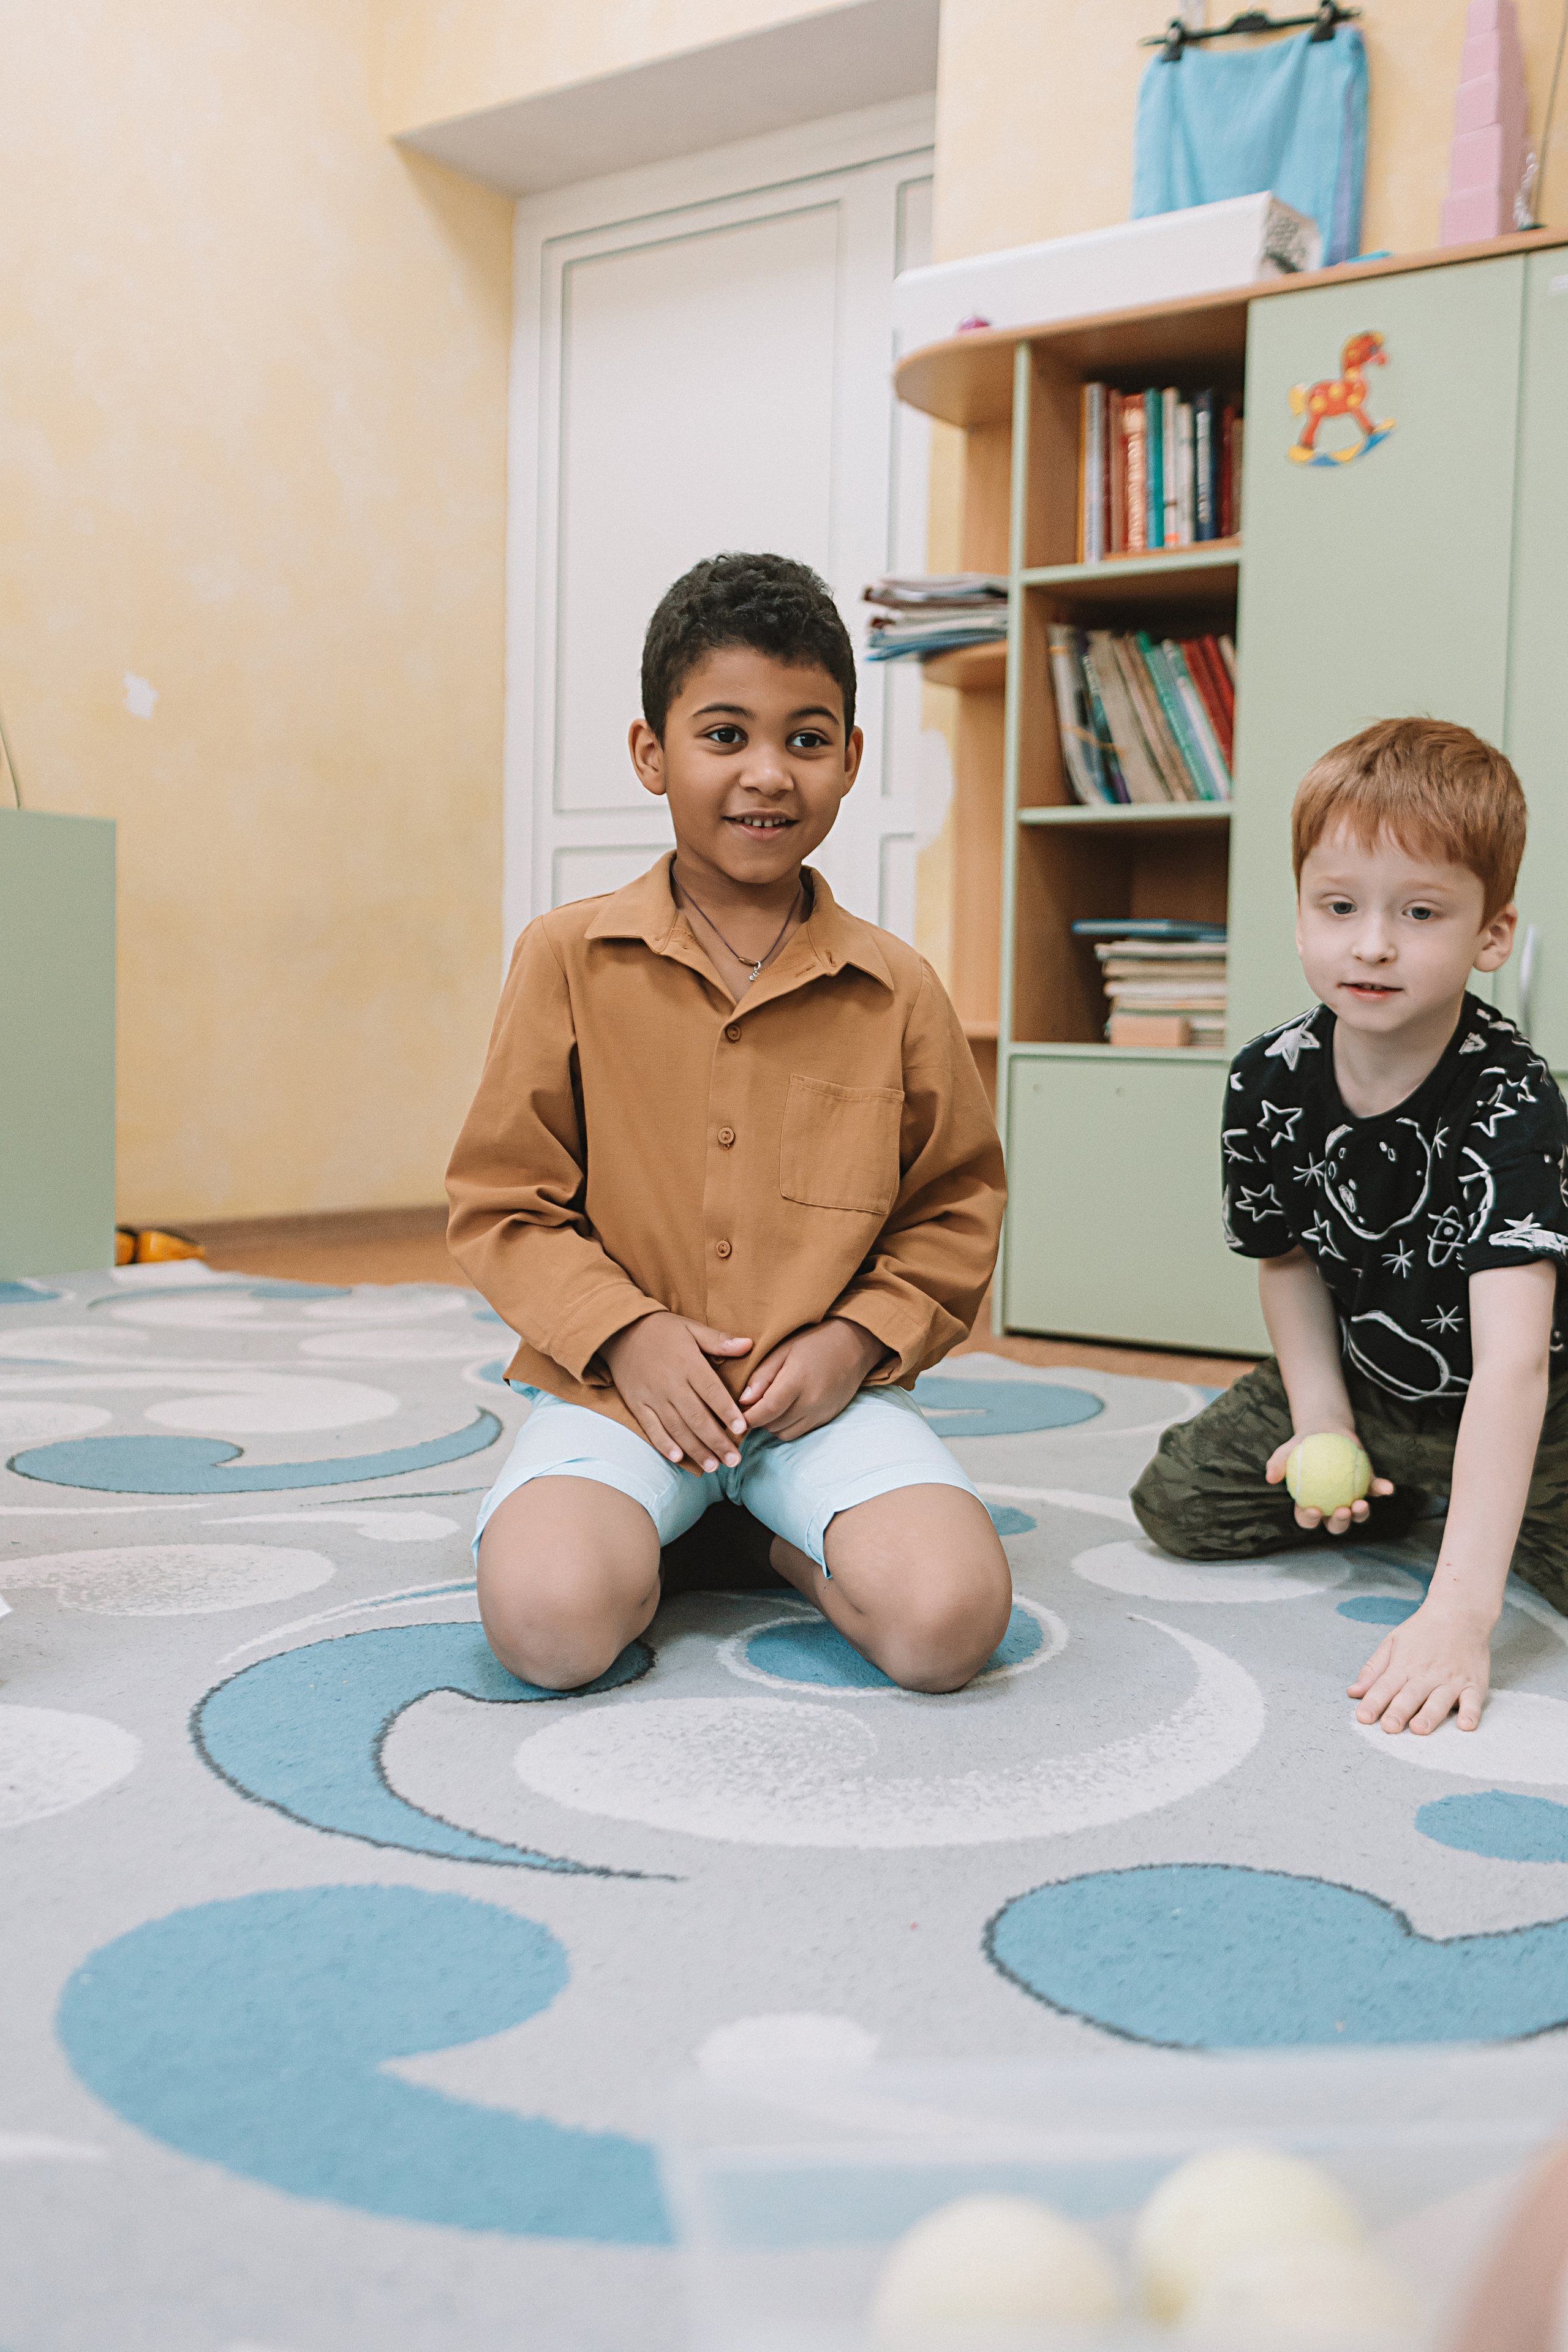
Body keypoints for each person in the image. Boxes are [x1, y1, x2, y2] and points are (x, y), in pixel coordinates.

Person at [447, 551, 1011, 1694]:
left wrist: (852, 1343)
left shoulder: (898, 989)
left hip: (822, 1406)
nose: (767, 774)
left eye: (807, 739)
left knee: (950, 1627)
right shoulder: (564, 959)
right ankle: (649, 1530)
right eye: (723, 736)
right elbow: (503, 1202)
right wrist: (625, 1331)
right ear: (652, 753)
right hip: (614, 1392)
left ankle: (751, 1540)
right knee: (550, 1629)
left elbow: (955, 1208)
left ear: (851, 760)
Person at [1132, 718, 1568, 1736]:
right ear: (1299, 914)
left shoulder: (1514, 1100)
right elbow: (1285, 1263)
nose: (1371, 943)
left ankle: (1464, 1522)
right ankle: (1415, 1495)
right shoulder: (1266, 1077)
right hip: (1369, 1384)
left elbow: (1515, 1367)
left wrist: (1463, 1611)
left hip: (1531, 1414)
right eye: (1339, 907)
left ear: (1492, 935)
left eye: (1420, 912)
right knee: (1175, 1504)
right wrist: (1322, 1416)